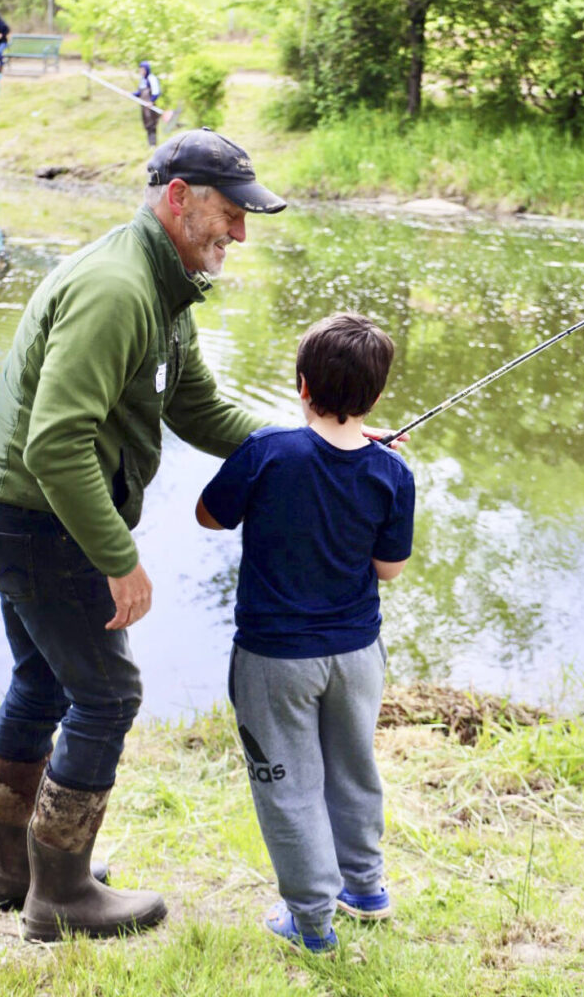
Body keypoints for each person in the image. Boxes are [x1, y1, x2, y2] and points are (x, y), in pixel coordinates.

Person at [0, 128, 287, 943]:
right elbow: (56, 443)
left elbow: (197, 407)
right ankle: (60, 896)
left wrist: (304, 446)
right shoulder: (117, 289)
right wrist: (119, 561)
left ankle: (13, 872)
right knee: (108, 696)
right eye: (228, 213)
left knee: (42, 681)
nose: (239, 232)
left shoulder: (163, 283)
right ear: (178, 198)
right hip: (35, 516)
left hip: (12, 508)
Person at [195, 312, 415, 952]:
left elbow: (210, 515)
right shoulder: (393, 472)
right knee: (354, 769)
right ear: (373, 397)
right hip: (357, 654)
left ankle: (313, 923)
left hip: (276, 659)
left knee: (287, 787)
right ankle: (365, 888)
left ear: (301, 385)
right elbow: (390, 570)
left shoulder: (267, 452)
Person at [133, 60, 162, 147]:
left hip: (150, 106)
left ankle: (153, 144)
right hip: (144, 106)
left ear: (146, 69)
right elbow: (139, 93)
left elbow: (156, 92)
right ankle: (150, 144)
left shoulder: (151, 78)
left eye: (142, 69)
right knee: (147, 124)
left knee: (152, 124)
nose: (141, 71)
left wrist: (151, 101)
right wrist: (130, 94)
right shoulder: (142, 80)